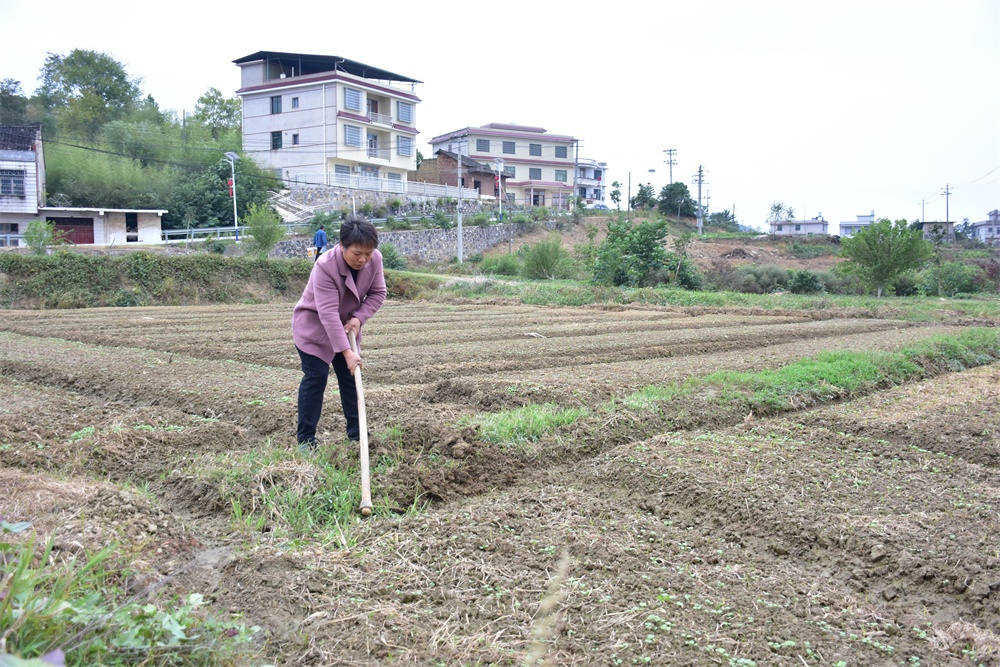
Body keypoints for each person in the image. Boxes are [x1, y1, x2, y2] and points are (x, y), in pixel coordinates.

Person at [292, 216, 386, 450]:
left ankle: (357, 434)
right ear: (342, 246)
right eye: (357, 253)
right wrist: (347, 352)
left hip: (345, 326)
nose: (363, 259)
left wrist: (359, 317)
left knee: (351, 378)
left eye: (368, 253)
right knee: (316, 378)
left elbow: (378, 293)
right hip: (314, 328)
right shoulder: (325, 265)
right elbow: (328, 313)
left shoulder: (375, 259)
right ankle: (306, 440)